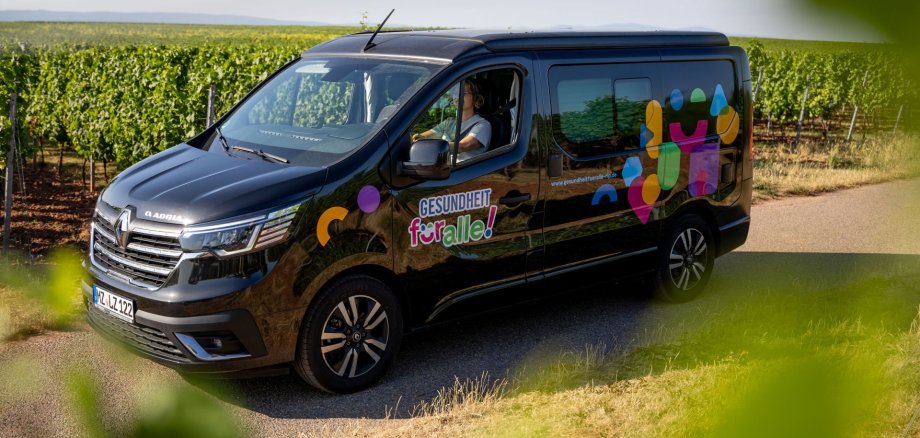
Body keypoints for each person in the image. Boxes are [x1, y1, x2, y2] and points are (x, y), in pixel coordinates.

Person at [413, 80, 491, 162]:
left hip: (462, 171)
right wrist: (419, 138)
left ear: (474, 97)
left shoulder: (482, 125)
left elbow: (464, 146)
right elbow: (429, 135)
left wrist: (431, 148)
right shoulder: (449, 122)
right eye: (455, 93)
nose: (457, 96)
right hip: (442, 168)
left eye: (463, 93)